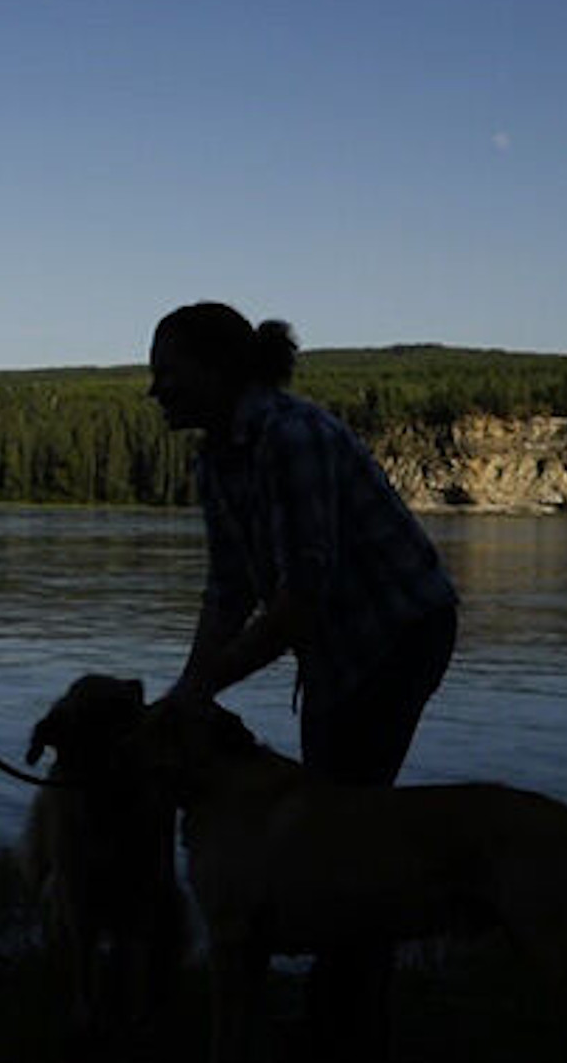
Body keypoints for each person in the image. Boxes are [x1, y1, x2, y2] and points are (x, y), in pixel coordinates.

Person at [150, 302, 458, 1063]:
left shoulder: (288, 438)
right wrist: (192, 685)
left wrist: (204, 688)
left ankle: (347, 1023)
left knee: (349, 825)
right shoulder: (216, 454)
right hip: (334, 645)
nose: (153, 388)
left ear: (217, 371)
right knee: (336, 819)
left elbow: (300, 598)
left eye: (167, 371)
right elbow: (228, 589)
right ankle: (340, 1010)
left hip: (399, 631)